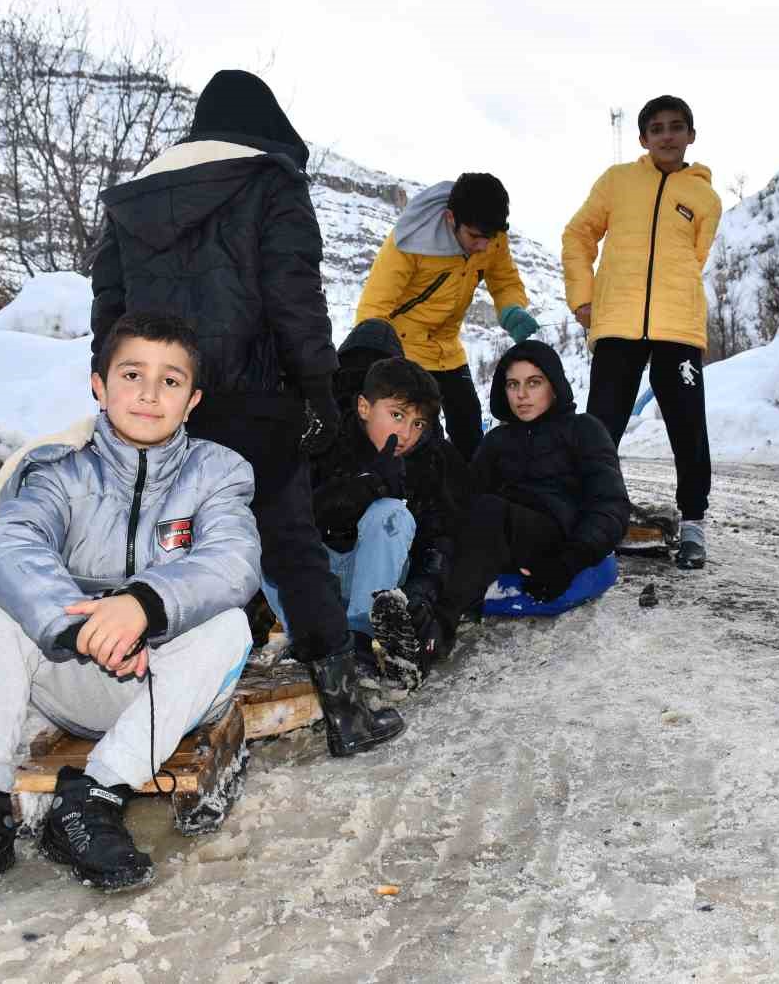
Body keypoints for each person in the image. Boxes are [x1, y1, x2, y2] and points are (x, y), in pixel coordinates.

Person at [89, 69, 403, 758]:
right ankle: (344, 711)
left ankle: (154, 704)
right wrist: (318, 389)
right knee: (290, 548)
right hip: (257, 401)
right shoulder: (270, 182)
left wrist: (116, 390)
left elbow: (108, 309)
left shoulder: (133, 201)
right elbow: (294, 296)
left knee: (165, 550)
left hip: (164, 407)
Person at [0, 314, 260, 906]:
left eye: (170, 381)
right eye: (132, 374)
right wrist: (80, 625)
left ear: (192, 400)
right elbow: (7, 543)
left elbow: (234, 559)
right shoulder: (57, 467)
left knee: (230, 623)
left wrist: (144, 606)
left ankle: (93, 797)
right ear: (99, 385)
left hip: (166, 691)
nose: (149, 393)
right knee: (3, 602)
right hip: (76, 669)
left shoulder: (218, 471)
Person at [561, 94, 721, 569]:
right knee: (601, 426)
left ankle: (692, 524)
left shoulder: (705, 197)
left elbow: (695, 258)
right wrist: (583, 296)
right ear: (643, 139)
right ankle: (595, 516)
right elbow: (578, 235)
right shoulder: (617, 182)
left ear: (691, 134)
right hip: (617, 323)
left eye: (676, 127)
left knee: (688, 427)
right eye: (657, 128)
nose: (667, 136)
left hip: (678, 326)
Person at [270, 346, 458, 690]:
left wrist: (421, 593)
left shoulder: (427, 462)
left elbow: (440, 538)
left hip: (377, 592)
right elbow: (297, 516)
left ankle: (359, 640)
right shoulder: (324, 440)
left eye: (418, 423)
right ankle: (308, 635)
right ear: (364, 407)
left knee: (391, 515)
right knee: (260, 535)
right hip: (316, 578)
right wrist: (368, 485)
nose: (406, 433)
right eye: (397, 415)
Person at [428, 340, 631, 643]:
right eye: (512, 384)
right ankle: (416, 598)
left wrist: (568, 562)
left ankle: (435, 632)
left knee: (488, 509)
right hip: (500, 538)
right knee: (445, 470)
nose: (521, 395)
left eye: (533, 383)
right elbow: (465, 501)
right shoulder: (497, 440)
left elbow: (610, 505)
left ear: (554, 386)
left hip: (555, 538)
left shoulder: (584, 429)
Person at [356, 173, 540, 461]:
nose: (483, 246)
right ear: (451, 218)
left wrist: (511, 308)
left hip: (448, 350)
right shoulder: (409, 242)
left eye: (489, 238)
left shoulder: (491, 237)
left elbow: (504, 281)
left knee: (469, 430)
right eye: (475, 237)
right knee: (421, 438)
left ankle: (475, 496)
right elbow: (374, 307)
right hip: (405, 351)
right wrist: (377, 364)